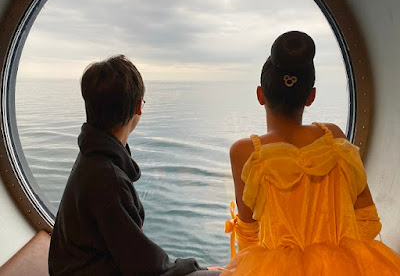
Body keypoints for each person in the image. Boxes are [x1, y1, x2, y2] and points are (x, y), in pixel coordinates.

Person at [222, 31, 400, 275]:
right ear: (311, 97)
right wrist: (344, 260)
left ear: (260, 95)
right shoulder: (334, 136)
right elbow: (367, 220)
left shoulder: (245, 152)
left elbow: (249, 237)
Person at [48, 55, 221, 275]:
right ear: (138, 106)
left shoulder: (91, 156)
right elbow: (147, 268)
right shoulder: (108, 179)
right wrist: (200, 269)